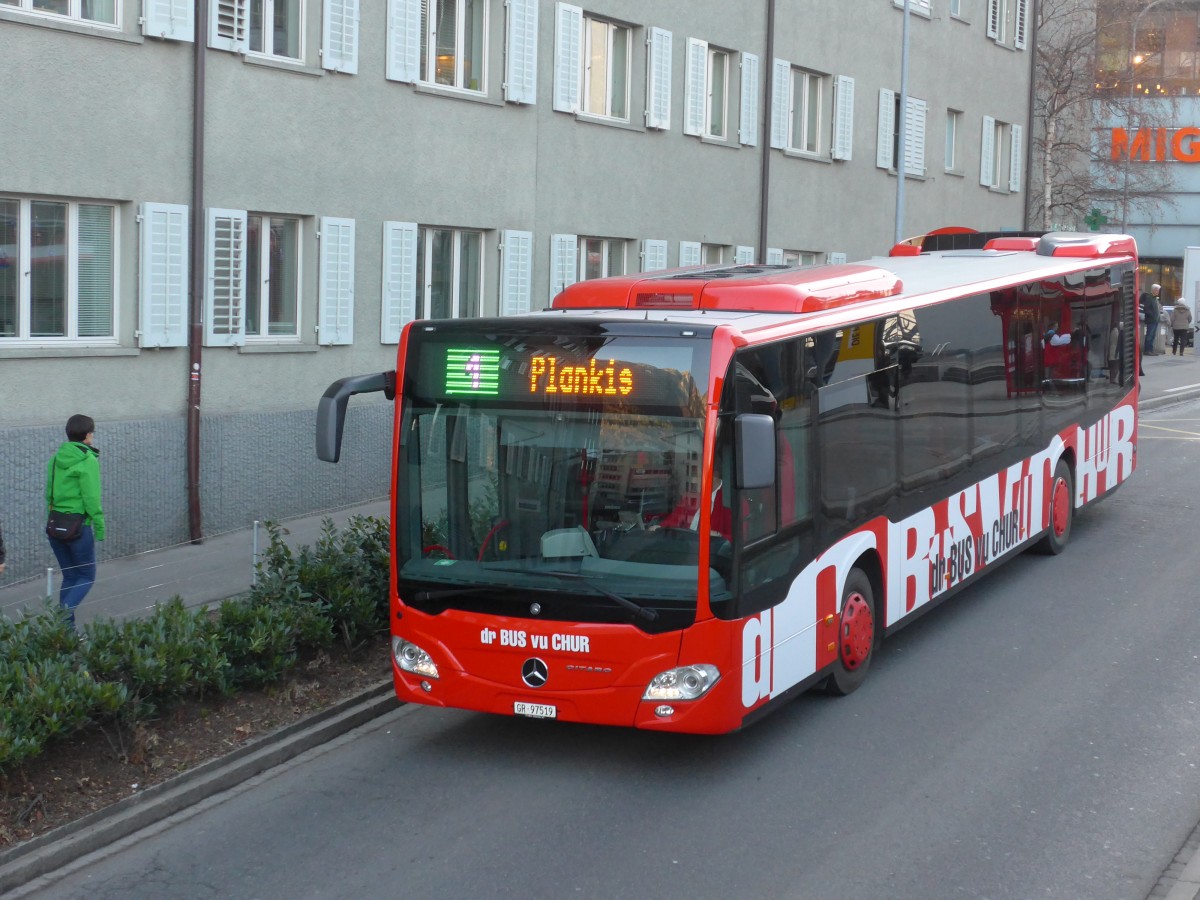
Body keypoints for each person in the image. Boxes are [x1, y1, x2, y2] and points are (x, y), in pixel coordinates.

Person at [46, 414, 105, 629]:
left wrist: (51, 521)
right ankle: (60, 619)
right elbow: (92, 499)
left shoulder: (55, 459)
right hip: (78, 529)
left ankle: (65, 634)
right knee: (87, 576)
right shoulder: (87, 460)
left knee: (70, 577)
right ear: (88, 435)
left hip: (55, 527)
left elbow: (48, 495)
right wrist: (99, 527)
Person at [1141, 283, 1162, 356]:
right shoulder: (1149, 298)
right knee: (1149, 335)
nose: (1158, 292)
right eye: (1156, 290)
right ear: (1153, 290)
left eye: (1158, 290)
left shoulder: (1155, 298)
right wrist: (1152, 315)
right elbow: (1146, 308)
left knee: (1152, 336)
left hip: (1155, 320)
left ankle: (1151, 349)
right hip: (1151, 319)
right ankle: (1147, 350)